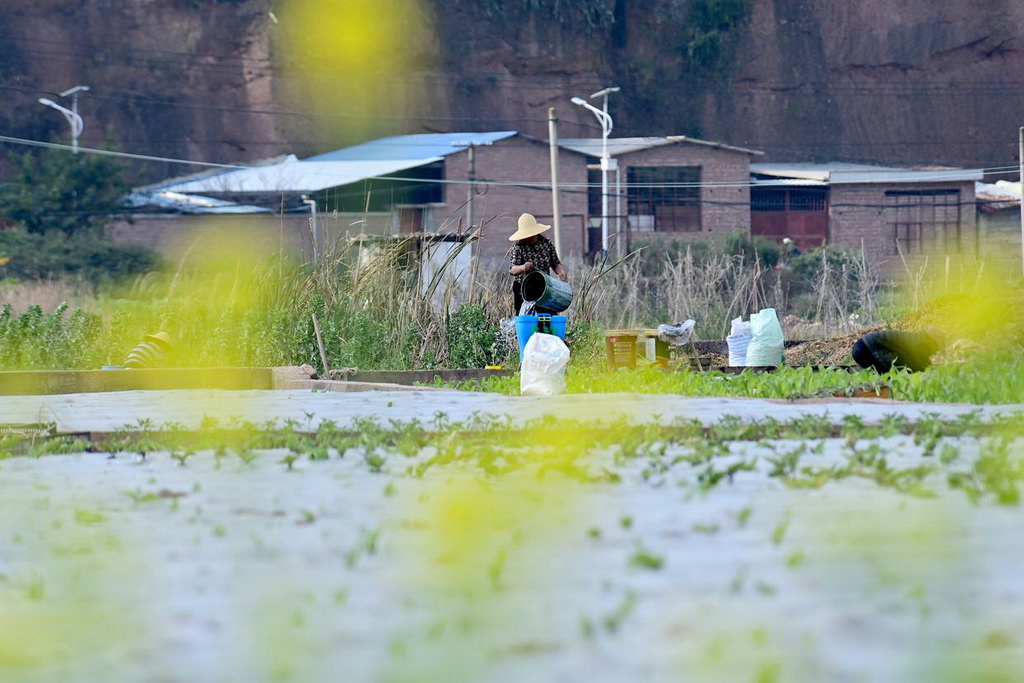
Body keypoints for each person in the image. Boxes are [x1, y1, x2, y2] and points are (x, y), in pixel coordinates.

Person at [507, 213, 568, 316]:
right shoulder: (518, 247)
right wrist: (524, 267)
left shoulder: (546, 244)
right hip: (523, 287)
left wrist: (561, 272)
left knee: (548, 315)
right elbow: (513, 269)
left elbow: (555, 263)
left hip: (544, 286)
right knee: (526, 317)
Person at [851, 329, 943, 374]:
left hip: (860, 347)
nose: (935, 353)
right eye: (937, 349)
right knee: (893, 371)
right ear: (933, 341)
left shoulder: (916, 339)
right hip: (870, 346)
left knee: (879, 374)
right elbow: (920, 365)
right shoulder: (921, 343)